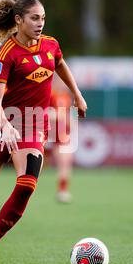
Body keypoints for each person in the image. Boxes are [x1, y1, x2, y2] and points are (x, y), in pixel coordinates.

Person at [0, 0, 87, 264]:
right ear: (18, 20)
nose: (40, 23)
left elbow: (59, 63)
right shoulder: (7, 54)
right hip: (2, 126)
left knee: (26, 186)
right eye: (34, 18)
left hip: (33, 127)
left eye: (43, 18)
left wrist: (77, 94)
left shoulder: (51, 45)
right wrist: (5, 126)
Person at [47, 73, 74, 203]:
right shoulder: (50, 95)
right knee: (37, 165)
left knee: (65, 163)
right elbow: (44, 111)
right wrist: (57, 115)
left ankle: (63, 191)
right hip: (48, 134)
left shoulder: (67, 97)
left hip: (62, 135)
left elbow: (68, 115)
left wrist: (71, 122)